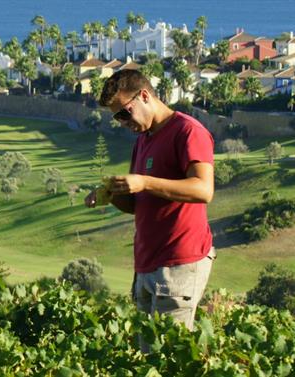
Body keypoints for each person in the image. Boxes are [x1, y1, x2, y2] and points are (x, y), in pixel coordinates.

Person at [85, 69, 216, 344]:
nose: (122, 122)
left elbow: (203, 189)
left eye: (124, 113)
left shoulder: (188, 131)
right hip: (147, 263)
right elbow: (140, 205)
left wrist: (144, 182)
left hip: (179, 262)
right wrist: (111, 195)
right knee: (147, 356)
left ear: (144, 96)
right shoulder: (143, 140)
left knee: (167, 357)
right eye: (116, 117)